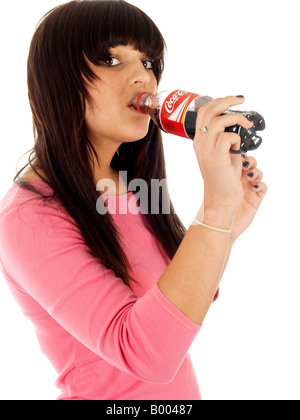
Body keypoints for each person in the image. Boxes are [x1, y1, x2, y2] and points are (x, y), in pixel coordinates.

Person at [0, 0, 268, 400]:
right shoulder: (28, 218)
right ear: (59, 78)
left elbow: (179, 311)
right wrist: (214, 208)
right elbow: (149, 354)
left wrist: (227, 224)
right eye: (111, 60)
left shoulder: (129, 184)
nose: (143, 77)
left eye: (148, 62)